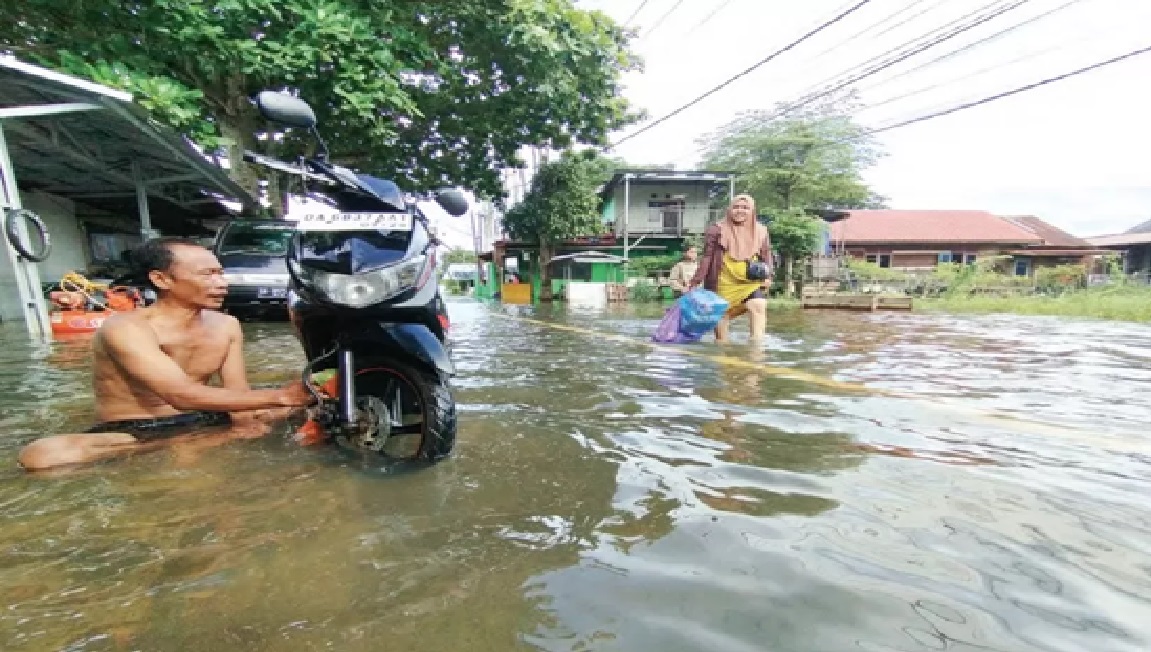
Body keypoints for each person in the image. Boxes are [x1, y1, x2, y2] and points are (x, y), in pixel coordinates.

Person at [17, 237, 316, 471]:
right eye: (207, 275)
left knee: (323, 401)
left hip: (205, 417)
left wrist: (250, 423)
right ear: (162, 280)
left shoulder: (227, 324)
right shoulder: (124, 328)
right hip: (136, 431)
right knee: (40, 455)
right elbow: (180, 395)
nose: (221, 283)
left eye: (221, 273)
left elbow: (238, 393)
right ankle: (197, 442)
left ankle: (201, 441)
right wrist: (282, 396)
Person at [689, 194, 774, 342]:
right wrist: (696, 281)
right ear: (729, 209)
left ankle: (757, 345)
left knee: (758, 305)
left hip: (749, 281)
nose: (740, 211)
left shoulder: (761, 230)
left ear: (752, 210)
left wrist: (768, 276)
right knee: (722, 317)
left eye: (745, 208)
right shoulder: (716, 229)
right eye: (736, 207)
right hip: (722, 281)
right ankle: (722, 350)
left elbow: (766, 254)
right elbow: (707, 257)